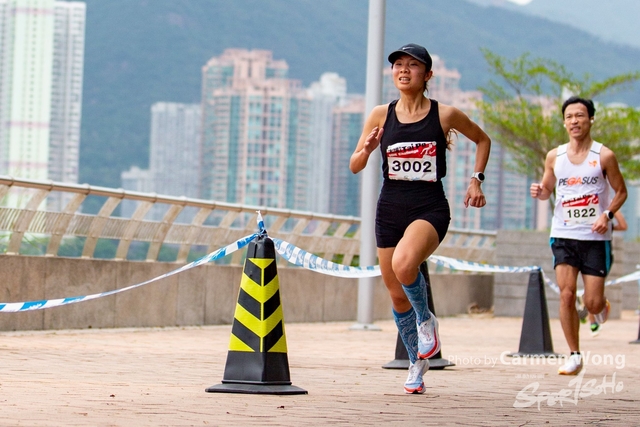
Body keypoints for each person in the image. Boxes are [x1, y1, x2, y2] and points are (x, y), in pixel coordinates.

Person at [349, 43, 491, 394]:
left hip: (428, 208)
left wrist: (476, 179)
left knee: (404, 263)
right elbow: (355, 165)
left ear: (427, 75)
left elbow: (483, 139)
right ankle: (416, 363)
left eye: (412, 65)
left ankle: (426, 319)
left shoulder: (444, 115)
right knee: (397, 296)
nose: (403, 70)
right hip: (389, 208)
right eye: (398, 64)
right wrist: (366, 149)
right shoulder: (380, 115)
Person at [530, 96, 628, 375]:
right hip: (563, 234)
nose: (574, 121)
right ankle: (574, 354)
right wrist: (540, 191)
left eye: (580, 116)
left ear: (591, 119)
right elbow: (547, 189)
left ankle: (600, 305)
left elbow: (621, 192)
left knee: (592, 303)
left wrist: (607, 215)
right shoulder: (555, 156)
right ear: (564, 122)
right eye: (569, 116)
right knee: (566, 294)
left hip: (595, 238)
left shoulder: (604, 156)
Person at [585, 210, 627, 336]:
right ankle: (589, 316)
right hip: (581, 247)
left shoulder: (610, 207)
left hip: (601, 251)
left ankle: (593, 319)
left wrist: (608, 225)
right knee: (582, 290)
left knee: (592, 290)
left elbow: (623, 226)